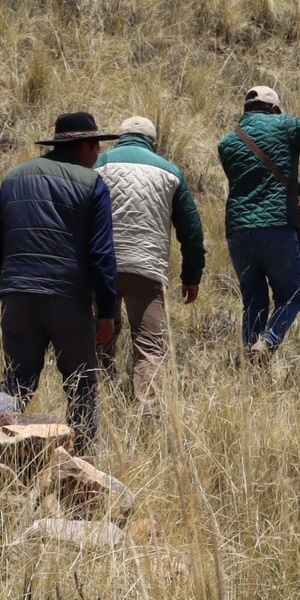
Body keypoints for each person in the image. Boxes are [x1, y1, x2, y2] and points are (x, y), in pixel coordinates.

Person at [0, 111, 121, 443]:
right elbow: (102, 254)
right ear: (85, 147)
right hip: (69, 299)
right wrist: (106, 311)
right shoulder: (92, 184)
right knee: (81, 383)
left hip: (17, 295)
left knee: (16, 381)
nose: (98, 153)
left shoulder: (13, 178)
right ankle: (81, 463)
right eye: (97, 146)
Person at [218, 84, 300, 356]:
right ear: (274, 109)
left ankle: (252, 362)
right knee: (290, 298)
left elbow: (251, 182)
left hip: (239, 231)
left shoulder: (227, 143)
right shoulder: (284, 125)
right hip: (275, 227)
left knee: (254, 302)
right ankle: (268, 342)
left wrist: (297, 187)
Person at [95, 116, 207, 417]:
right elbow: (192, 231)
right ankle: (147, 415)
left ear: (119, 139)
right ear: (153, 143)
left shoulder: (99, 164)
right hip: (147, 269)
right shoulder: (169, 171)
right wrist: (191, 275)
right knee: (149, 346)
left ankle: (99, 404)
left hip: (102, 267)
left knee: (101, 336)